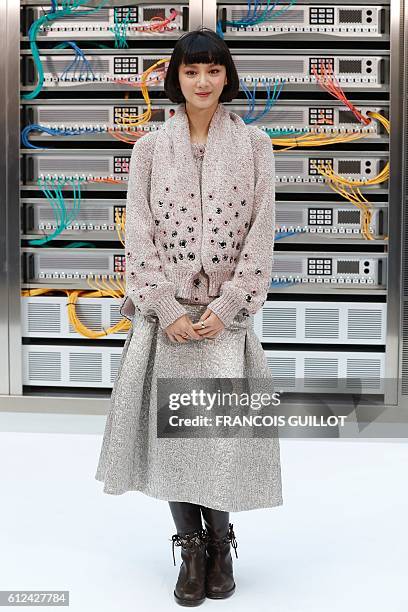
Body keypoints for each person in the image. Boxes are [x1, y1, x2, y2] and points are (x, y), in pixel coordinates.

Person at [95, 27, 283, 606]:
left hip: (223, 321)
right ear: (176, 79)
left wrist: (228, 308)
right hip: (167, 319)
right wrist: (166, 306)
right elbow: (140, 237)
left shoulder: (256, 147)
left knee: (218, 438)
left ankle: (222, 542)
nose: (202, 81)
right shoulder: (149, 149)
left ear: (227, 78)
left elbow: (262, 235)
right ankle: (190, 549)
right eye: (191, 71)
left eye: (213, 71)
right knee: (173, 441)